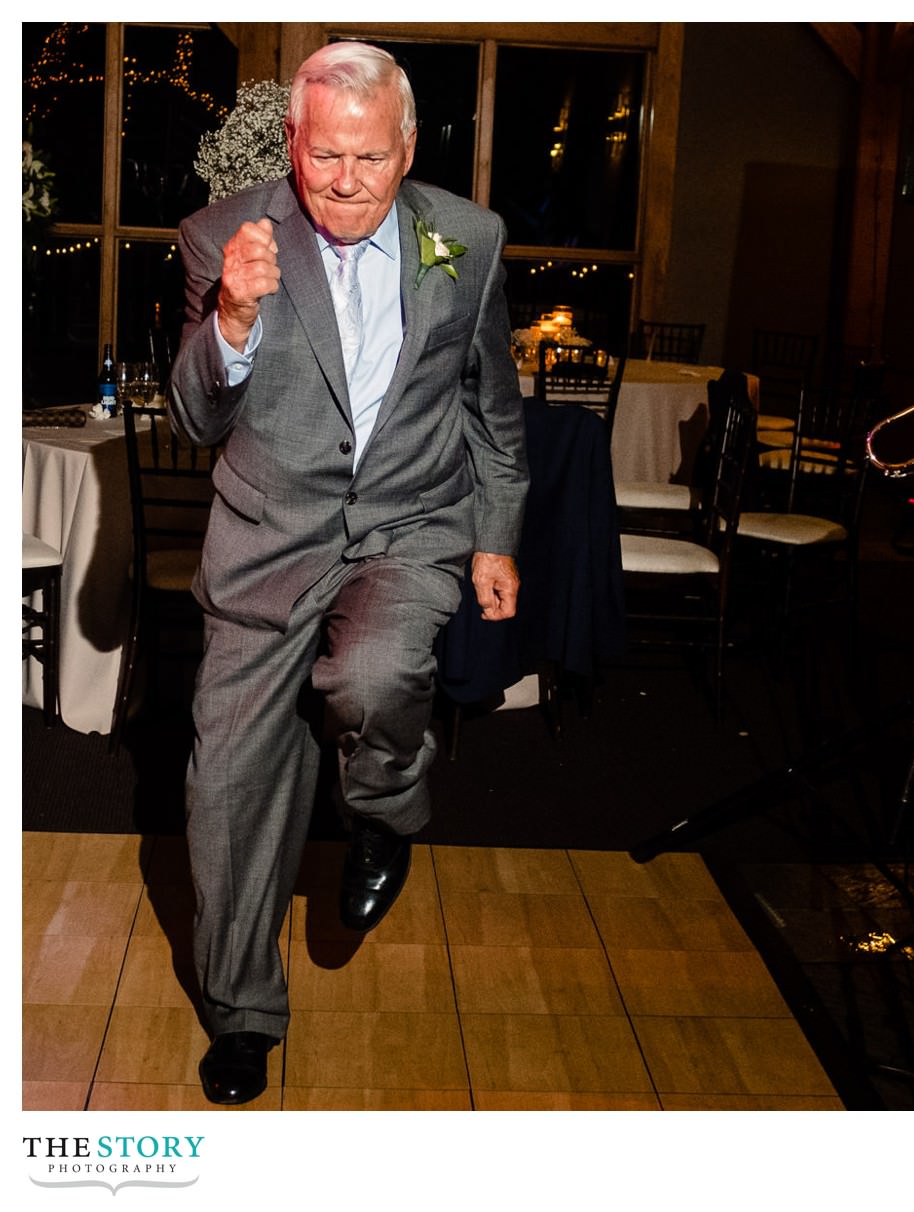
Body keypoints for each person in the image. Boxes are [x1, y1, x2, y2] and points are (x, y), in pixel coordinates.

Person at [169, 42, 528, 1105]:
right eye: (324, 155)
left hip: (408, 527)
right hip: (264, 545)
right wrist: (230, 319)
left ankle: (381, 807)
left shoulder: (467, 238)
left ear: (406, 146)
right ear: (294, 141)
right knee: (225, 788)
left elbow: (489, 404)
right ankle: (241, 1012)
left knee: (371, 683)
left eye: (367, 159)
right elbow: (195, 418)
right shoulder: (219, 236)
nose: (342, 181)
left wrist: (495, 536)